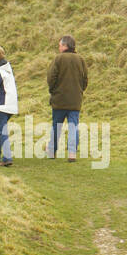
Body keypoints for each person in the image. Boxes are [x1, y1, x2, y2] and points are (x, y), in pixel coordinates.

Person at [47, 34, 88, 163]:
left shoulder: (58, 59)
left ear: (65, 46)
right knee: (73, 126)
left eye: (60, 45)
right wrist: (79, 91)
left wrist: (53, 90)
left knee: (56, 126)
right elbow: (85, 79)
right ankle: (72, 153)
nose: (59, 48)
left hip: (59, 99)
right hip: (75, 100)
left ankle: (52, 151)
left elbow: (51, 78)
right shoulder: (81, 59)